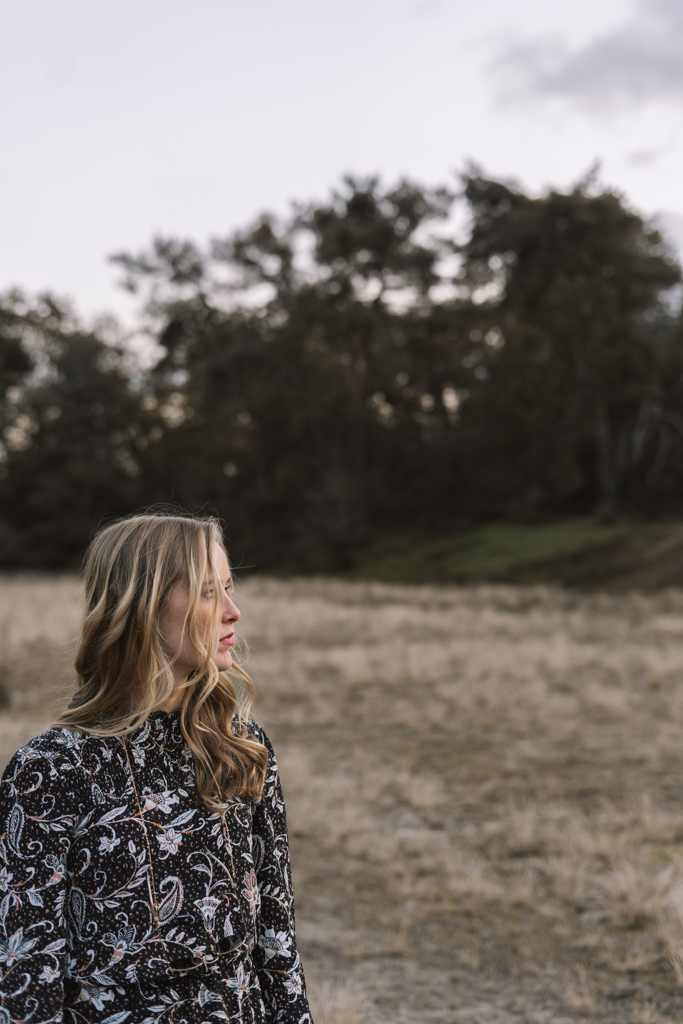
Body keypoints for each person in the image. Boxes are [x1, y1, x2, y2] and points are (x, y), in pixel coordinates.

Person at [0, 513, 313, 1024]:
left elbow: (278, 946)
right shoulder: (51, 772)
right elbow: (24, 983)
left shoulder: (240, 747)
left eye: (228, 588)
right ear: (142, 606)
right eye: (208, 592)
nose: (233, 612)